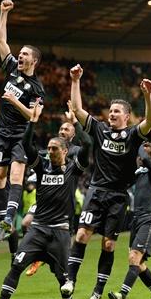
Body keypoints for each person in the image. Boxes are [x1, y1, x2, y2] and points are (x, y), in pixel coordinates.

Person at [0, 100, 90, 299]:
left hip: (60, 232)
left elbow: (88, 144)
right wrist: (32, 121)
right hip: (38, 229)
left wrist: (76, 123)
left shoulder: (73, 168)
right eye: (49, 148)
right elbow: (26, 144)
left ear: (64, 151)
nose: (50, 151)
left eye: (54, 148)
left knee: (64, 280)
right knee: (16, 266)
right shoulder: (41, 167)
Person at [61, 64, 151, 299]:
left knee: (108, 245)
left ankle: (98, 292)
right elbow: (79, 110)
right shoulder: (100, 129)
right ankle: (70, 280)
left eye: (116, 111)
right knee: (81, 235)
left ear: (126, 116)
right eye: (110, 111)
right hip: (96, 191)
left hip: (118, 197)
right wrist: (75, 80)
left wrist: (147, 97)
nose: (111, 114)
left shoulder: (134, 135)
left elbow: (150, 122)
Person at [0, 0, 46, 241]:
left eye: (24, 54)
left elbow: (34, 116)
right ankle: (2, 219)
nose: (19, 56)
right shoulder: (12, 69)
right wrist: (3, 13)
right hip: (1, 132)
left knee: (15, 176)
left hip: (21, 135)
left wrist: (14, 102)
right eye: (20, 53)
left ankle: (8, 220)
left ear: (33, 60)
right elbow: (1, 41)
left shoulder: (37, 88)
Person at [23, 100, 91, 277]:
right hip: (45, 195)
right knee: (26, 223)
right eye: (61, 129)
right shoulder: (51, 148)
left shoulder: (75, 150)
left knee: (61, 239)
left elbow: (84, 153)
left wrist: (75, 119)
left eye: (66, 129)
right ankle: (38, 255)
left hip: (63, 196)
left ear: (74, 134)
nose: (62, 131)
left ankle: (58, 263)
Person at [108, 142, 151, 299]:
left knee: (134, 257)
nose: (139, 158)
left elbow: (145, 158)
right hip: (137, 219)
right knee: (138, 263)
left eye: (143, 156)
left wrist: (139, 142)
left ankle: (122, 295)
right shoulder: (140, 174)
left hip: (150, 218)